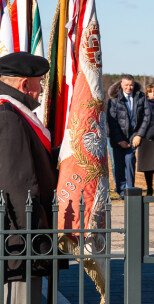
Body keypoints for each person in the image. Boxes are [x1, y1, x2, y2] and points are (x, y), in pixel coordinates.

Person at [0, 52, 56, 304]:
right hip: (18, 237)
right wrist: (31, 238)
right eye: (39, 82)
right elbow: (18, 182)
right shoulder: (9, 116)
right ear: (24, 84)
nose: (42, 89)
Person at [107, 74, 150, 199]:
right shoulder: (114, 100)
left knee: (130, 160)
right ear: (121, 85)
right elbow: (112, 121)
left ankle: (129, 190)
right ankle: (121, 191)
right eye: (126, 85)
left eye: (131, 85)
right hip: (118, 138)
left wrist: (139, 135)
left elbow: (147, 117)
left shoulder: (141, 97)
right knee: (119, 164)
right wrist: (120, 140)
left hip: (134, 135)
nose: (129, 87)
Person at [137, 83, 154, 197]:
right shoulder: (142, 104)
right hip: (145, 137)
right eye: (151, 91)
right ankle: (149, 189)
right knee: (147, 165)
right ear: (147, 93)